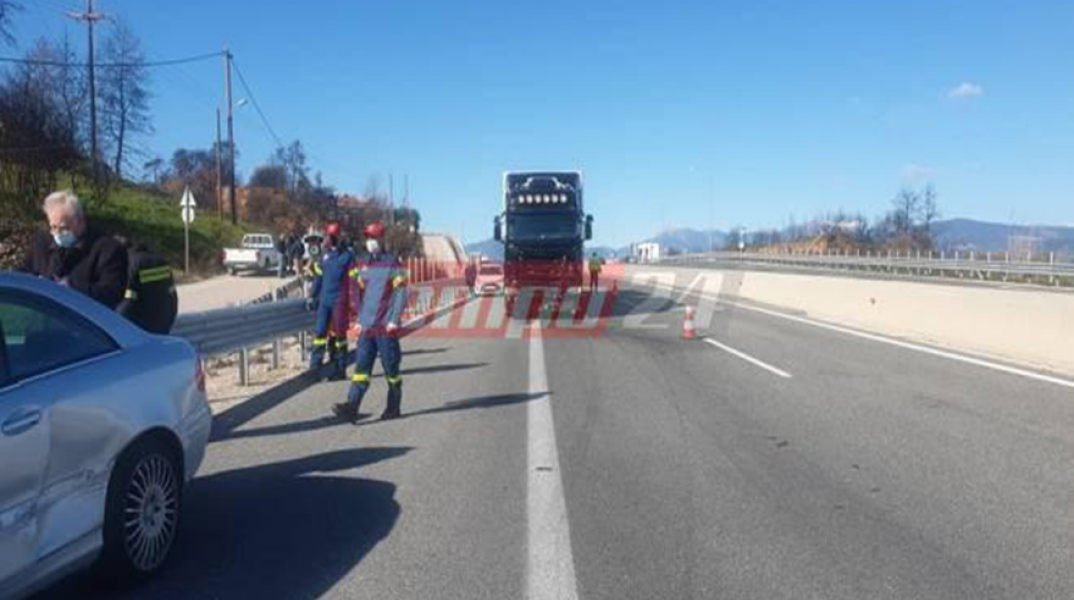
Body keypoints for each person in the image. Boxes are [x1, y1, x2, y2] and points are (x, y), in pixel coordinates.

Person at [333, 220, 408, 423]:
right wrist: (358, 317)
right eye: (368, 237)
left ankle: (393, 407)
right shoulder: (362, 263)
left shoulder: (393, 263)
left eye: (374, 238)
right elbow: (357, 292)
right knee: (361, 370)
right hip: (367, 327)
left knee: (391, 370)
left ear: (381, 239)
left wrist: (394, 319)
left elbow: (401, 293)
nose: (370, 241)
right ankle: (352, 407)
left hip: (385, 327)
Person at [20, 190, 128, 309]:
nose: (57, 233)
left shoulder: (108, 248)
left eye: (64, 228)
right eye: (53, 227)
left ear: (81, 222)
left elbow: (113, 292)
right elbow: (23, 272)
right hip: (42, 315)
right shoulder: (42, 242)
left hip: (83, 320)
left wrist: (72, 288)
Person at [307, 222, 355, 380]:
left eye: (334, 236)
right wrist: (311, 295)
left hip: (339, 301)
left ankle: (340, 369)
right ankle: (315, 369)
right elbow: (318, 277)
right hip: (324, 301)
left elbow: (354, 281)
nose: (332, 238)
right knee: (320, 333)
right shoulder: (324, 255)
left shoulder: (347, 255)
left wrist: (356, 302)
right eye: (330, 235)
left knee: (340, 336)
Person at [115, 239, 179, 334]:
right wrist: (170, 319)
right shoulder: (161, 260)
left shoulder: (130, 263)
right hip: (163, 322)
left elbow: (128, 299)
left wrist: (118, 323)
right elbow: (173, 295)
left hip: (141, 325)